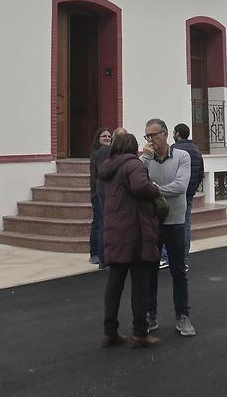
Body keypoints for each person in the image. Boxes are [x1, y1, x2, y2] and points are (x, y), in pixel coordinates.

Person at [97, 132, 161, 348]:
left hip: (115, 230)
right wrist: (155, 189)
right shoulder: (134, 164)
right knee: (139, 285)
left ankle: (110, 331)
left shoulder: (109, 166)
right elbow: (140, 187)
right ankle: (140, 333)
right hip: (135, 231)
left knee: (115, 283)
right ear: (133, 148)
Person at [140, 118, 195, 336]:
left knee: (178, 271)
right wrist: (145, 158)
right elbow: (136, 180)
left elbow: (180, 186)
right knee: (150, 271)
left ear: (164, 134)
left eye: (153, 135)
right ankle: (150, 315)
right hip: (152, 223)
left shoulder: (182, 156)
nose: (150, 139)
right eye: (147, 136)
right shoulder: (147, 159)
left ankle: (183, 316)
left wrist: (154, 190)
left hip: (175, 222)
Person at [172, 122, 205, 265]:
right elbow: (201, 173)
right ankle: (184, 257)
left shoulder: (173, 149)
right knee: (186, 223)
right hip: (189, 192)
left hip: (174, 192)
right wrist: (194, 187)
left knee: (170, 223)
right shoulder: (196, 150)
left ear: (177, 134)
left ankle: (168, 256)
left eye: (174, 132)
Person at [89, 127, 113, 267]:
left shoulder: (109, 152)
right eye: (104, 136)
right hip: (98, 194)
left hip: (103, 193)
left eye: (109, 136)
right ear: (98, 139)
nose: (107, 138)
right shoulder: (97, 154)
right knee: (98, 222)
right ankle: (94, 253)